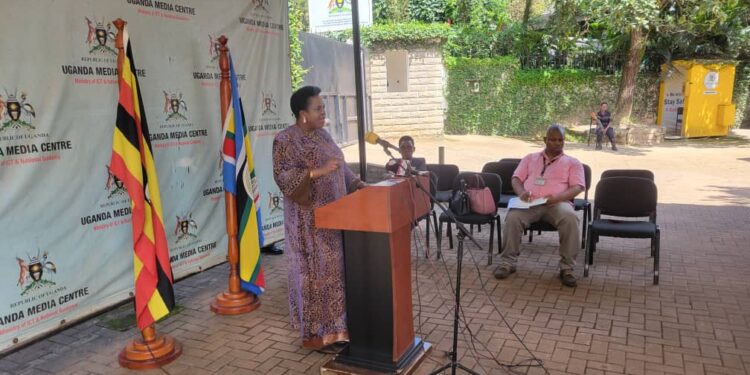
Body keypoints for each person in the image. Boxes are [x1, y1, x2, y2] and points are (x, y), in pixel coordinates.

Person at [272, 86, 365, 353]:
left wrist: (357, 183)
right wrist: (316, 172)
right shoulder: (286, 140)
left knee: (334, 275)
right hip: (307, 223)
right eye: (318, 108)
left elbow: (340, 165)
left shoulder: (323, 135)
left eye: (323, 108)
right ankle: (315, 335)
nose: (324, 112)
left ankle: (337, 329)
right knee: (314, 277)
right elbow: (283, 177)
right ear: (302, 114)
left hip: (333, 219)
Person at [493, 124, 585, 287]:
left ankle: (567, 269)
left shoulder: (573, 163)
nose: (557, 143)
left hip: (558, 203)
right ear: (545, 140)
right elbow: (516, 179)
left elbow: (577, 187)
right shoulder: (530, 158)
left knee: (571, 219)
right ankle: (507, 263)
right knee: (513, 217)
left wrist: (557, 197)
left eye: (560, 140)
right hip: (530, 202)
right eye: (553, 139)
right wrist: (521, 193)